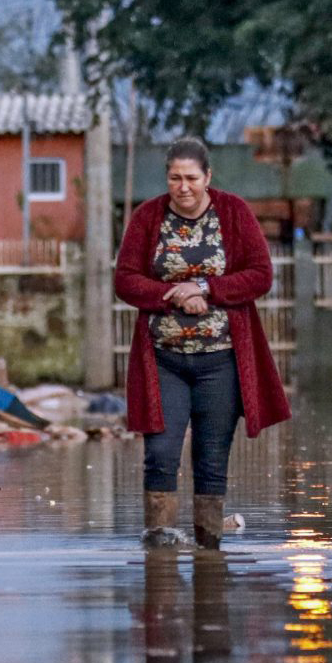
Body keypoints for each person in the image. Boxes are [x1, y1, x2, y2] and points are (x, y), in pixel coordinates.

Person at [116, 136, 291, 550]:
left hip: (221, 360)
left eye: (192, 177)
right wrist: (172, 294)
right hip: (164, 359)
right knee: (161, 452)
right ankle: (159, 547)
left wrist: (206, 289)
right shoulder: (147, 218)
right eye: (175, 178)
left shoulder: (234, 213)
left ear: (208, 177)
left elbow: (260, 274)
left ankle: (209, 550)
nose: (184, 186)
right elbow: (125, 279)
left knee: (212, 460)